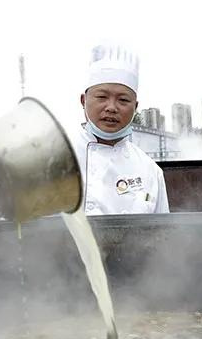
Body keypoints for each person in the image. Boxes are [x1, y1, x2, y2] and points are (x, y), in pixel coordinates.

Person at [72, 43, 169, 215]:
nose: (111, 108)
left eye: (123, 100)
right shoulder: (52, 159)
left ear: (135, 107)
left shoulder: (150, 171)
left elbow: (161, 235)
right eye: (102, 97)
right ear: (83, 101)